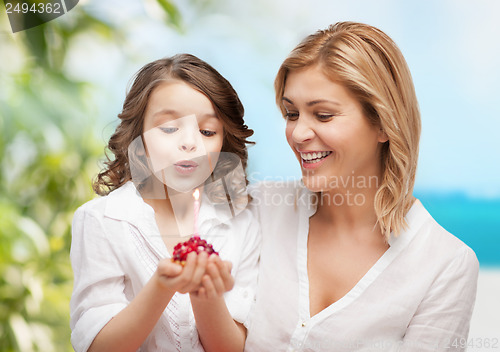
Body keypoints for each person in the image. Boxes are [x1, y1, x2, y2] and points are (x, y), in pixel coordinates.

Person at [245, 22, 479, 352]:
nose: (298, 134)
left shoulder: (445, 265)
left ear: (384, 124)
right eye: (291, 113)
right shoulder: (258, 208)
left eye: (323, 115)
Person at [70, 53, 260, 352]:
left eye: (207, 131)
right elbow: (98, 347)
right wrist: (162, 286)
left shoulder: (242, 223)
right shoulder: (103, 221)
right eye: (169, 128)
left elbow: (232, 348)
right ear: (139, 139)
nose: (189, 143)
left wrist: (204, 293)